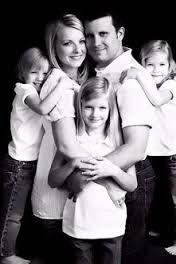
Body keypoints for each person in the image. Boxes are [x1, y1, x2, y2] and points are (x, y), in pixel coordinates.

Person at [60, 9, 156, 261]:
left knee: (125, 256)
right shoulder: (98, 71)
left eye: (104, 34)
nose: (95, 43)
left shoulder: (131, 79)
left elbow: (135, 149)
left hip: (128, 172)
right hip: (101, 174)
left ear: (120, 34)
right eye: (89, 36)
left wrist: (85, 174)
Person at [48, 76, 137, 264]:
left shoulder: (119, 143)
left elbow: (132, 184)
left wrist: (112, 169)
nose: (95, 114)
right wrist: (72, 164)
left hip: (112, 224)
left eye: (102, 107)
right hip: (79, 225)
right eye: (88, 107)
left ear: (110, 109)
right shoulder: (72, 141)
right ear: (80, 106)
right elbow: (52, 180)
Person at [30, 13, 88, 264]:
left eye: (82, 41)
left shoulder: (71, 80)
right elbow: (65, 145)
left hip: (62, 190)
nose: (78, 49)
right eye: (68, 43)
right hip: (55, 201)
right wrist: (108, 176)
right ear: (53, 48)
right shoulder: (60, 84)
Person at [0, 47, 67, 264]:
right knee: (12, 213)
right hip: (18, 163)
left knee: (20, 214)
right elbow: (43, 109)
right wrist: (63, 84)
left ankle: (14, 250)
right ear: (23, 73)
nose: (40, 78)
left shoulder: (35, 89)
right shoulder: (24, 89)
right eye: (34, 72)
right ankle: (6, 256)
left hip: (27, 162)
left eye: (45, 73)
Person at [132, 39, 176, 256]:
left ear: (170, 65)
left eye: (162, 65)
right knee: (156, 195)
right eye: (150, 64)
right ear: (143, 63)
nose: (156, 70)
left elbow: (156, 100)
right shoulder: (147, 86)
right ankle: (160, 229)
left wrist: (137, 74)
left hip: (174, 152)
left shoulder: (171, 85)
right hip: (152, 151)